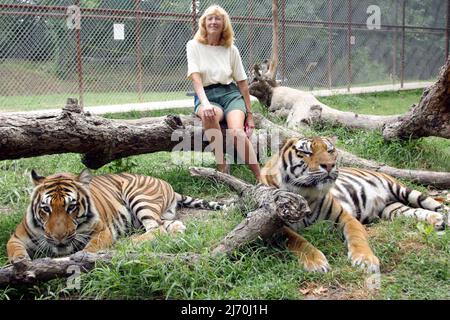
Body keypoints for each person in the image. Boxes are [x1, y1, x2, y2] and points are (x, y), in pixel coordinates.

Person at [186, 4, 261, 182]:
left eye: (217, 19)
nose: (213, 22)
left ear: (223, 23)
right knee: (209, 114)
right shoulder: (193, 45)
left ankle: (259, 175)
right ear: (204, 22)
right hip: (206, 95)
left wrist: (249, 115)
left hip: (230, 95)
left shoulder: (231, 49)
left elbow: (242, 83)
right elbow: (196, 79)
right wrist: (204, 103)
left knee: (237, 132)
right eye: (210, 18)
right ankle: (222, 164)